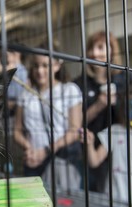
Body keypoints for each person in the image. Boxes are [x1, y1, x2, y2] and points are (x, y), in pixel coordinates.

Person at [14, 43, 83, 190]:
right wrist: (30, 149)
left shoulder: (70, 90)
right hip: (32, 159)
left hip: (61, 159)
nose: (40, 71)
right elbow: (17, 131)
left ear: (57, 65)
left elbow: (74, 130)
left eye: (46, 66)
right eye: (36, 66)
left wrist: (45, 151)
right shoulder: (25, 94)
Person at [80, 82, 132, 207]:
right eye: (130, 106)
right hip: (115, 202)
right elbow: (94, 161)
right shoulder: (115, 131)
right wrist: (89, 144)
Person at [74, 30, 123, 192]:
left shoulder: (125, 80)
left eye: (101, 47)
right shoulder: (79, 84)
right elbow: (75, 123)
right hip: (89, 151)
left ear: (112, 51)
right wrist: (98, 106)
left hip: (120, 152)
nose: (94, 53)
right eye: (91, 48)